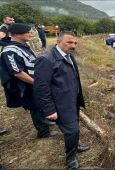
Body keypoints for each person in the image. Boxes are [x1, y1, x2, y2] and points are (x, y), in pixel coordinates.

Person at [34, 31, 90, 169]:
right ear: (58, 42)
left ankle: (75, 146)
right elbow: (41, 88)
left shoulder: (68, 56)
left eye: (75, 43)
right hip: (60, 104)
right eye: (69, 42)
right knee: (72, 130)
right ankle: (71, 158)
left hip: (72, 101)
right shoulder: (46, 59)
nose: (73, 45)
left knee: (74, 126)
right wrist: (49, 110)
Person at [0, 23, 52, 138]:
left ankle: (46, 121)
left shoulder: (23, 45)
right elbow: (17, 73)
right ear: (16, 34)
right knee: (35, 106)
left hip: (34, 82)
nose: (30, 34)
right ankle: (44, 133)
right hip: (26, 85)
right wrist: (36, 83)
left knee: (41, 103)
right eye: (27, 32)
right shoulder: (10, 51)